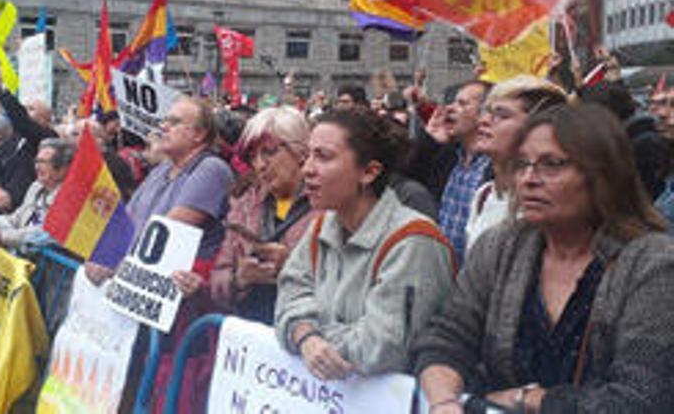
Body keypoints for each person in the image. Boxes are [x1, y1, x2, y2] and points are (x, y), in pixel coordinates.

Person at [412, 104, 674, 413]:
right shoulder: (501, 245)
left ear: (602, 174)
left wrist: (530, 399)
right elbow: (447, 336)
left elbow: (639, 399)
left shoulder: (653, 263)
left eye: (551, 164)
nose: (528, 179)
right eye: (521, 164)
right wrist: (443, 401)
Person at [275, 109, 455, 380]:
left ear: (369, 172)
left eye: (323, 157)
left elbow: (382, 347)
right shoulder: (322, 226)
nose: (307, 169)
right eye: (308, 155)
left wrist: (311, 335)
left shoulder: (414, 241)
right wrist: (306, 336)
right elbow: (290, 292)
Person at [111, 96, 233, 413]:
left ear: (200, 134)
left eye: (175, 121)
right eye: (165, 119)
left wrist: (117, 259)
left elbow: (164, 230)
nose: (163, 126)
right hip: (144, 293)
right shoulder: (161, 170)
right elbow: (129, 221)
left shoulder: (211, 169)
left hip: (182, 303)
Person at [210, 106, 316, 325]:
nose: (259, 164)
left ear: (300, 152)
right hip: (252, 336)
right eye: (252, 156)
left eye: (269, 152)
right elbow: (218, 281)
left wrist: (291, 266)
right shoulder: (244, 204)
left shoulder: (328, 204)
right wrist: (239, 280)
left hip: (306, 337)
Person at [464, 76, 567, 254]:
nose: (483, 121)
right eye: (485, 112)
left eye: (501, 115)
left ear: (537, 126)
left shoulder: (544, 203)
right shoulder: (483, 195)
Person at [0, 138, 75, 252]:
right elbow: (16, 218)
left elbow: (44, 233)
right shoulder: (36, 187)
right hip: (21, 254)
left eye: (43, 162)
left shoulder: (69, 197)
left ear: (62, 169)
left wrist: (2, 236)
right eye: (37, 161)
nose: (37, 167)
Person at [437, 80, 493, 261]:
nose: (450, 109)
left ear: (484, 114)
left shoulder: (495, 167)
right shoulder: (446, 159)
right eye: (453, 102)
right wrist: (429, 142)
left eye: (462, 104)